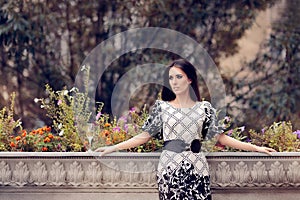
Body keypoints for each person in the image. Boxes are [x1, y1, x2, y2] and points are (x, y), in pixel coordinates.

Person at [95, 59, 276, 200]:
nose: (174, 82)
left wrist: (256, 148)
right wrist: (112, 147)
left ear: (189, 79)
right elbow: (143, 137)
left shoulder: (204, 108)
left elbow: (222, 139)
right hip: (170, 170)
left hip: (197, 170)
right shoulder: (161, 107)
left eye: (179, 77)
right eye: (171, 78)